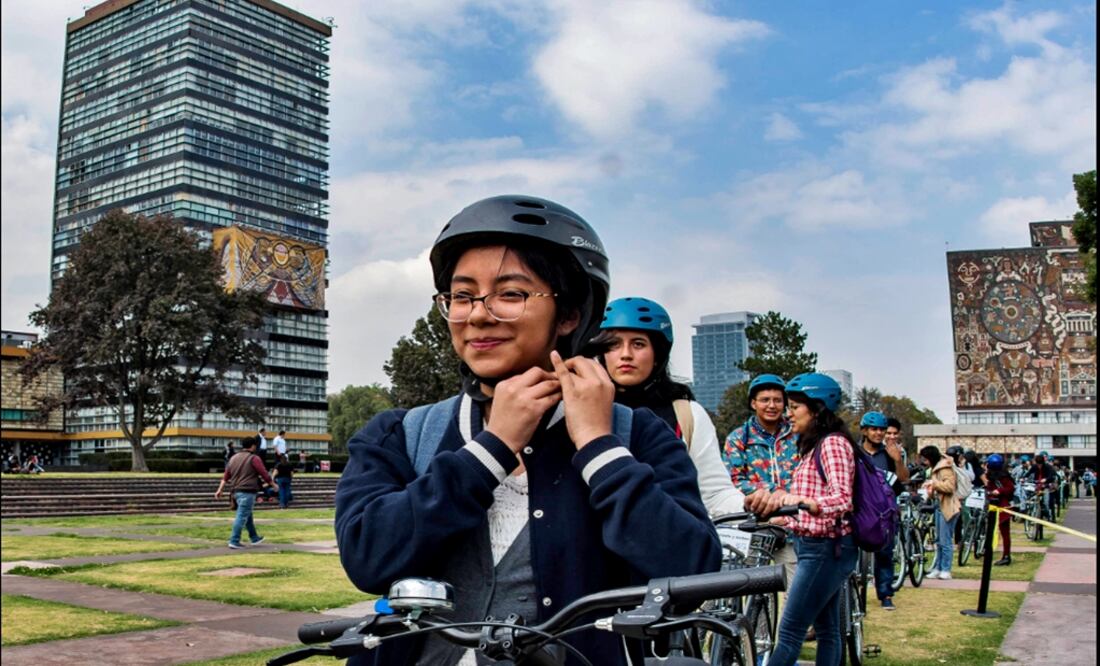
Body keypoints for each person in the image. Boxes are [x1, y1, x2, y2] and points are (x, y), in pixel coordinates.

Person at [333, 195, 720, 666]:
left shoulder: (638, 435)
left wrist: (599, 448)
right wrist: (491, 449)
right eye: (461, 295)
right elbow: (369, 560)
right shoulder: (402, 432)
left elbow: (689, 572)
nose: (478, 314)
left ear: (570, 315)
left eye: (511, 294)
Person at [591, 296, 744, 516]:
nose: (625, 354)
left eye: (638, 343)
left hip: (663, 538)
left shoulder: (686, 414)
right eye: (613, 344)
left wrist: (754, 505)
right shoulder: (579, 407)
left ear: (657, 355)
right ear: (602, 354)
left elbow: (714, 493)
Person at [746, 372, 856, 666]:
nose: (788, 413)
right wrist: (787, 517)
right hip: (815, 545)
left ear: (816, 409)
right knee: (828, 630)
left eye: (795, 407)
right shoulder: (814, 445)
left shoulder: (832, 444)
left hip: (824, 550)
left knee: (791, 632)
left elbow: (842, 498)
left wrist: (805, 503)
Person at [724, 373, 800, 582]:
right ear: (753, 403)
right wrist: (772, 490)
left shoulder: (797, 435)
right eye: (765, 400)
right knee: (753, 588)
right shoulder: (738, 438)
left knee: (794, 587)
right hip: (754, 525)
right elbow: (734, 479)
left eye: (777, 400)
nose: (772, 405)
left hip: (791, 523)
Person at [859, 411, 909, 610]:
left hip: (884, 511)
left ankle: (885, 593)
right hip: (860, 509)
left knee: (884, 554)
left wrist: (897, 460)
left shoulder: (890, 452)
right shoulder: (854, 451)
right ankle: (853, 594)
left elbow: (903, 479)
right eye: (874, 429)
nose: (879, 433)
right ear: (864, 431)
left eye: (882, 430)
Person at [215, 436, 275, 549]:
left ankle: (254, 537)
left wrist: (220, 489)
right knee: (242, 516)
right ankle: (234, 540)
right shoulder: (254, 458)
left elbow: (226, 476)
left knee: (247, 515)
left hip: (236, 491)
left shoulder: (233, 458)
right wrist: (273, 484)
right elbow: (264, 473)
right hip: (247, 491)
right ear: (253, 446)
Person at [919, 445, 959, 580]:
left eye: (925, 459)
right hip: (939, 505)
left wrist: (933, 483)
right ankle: (938, 567)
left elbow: (950, 487)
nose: (924, 462)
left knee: (945, 540)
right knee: (939, 540)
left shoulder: (944, 468)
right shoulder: (938, 468)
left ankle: (946, 569)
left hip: (948, 507)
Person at [981, 453, 1015, 566]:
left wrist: (999, 491)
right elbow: (990, 487)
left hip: (1003, 507)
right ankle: (988, 551)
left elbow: (1010, 488)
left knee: (1004, 533)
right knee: (990, 531)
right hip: (993, 507)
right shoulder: (991, 475)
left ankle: (1006, 556)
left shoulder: (1003, 477)